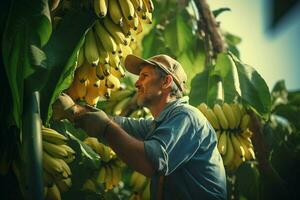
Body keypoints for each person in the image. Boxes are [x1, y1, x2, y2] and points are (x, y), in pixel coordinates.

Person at [52, 54, 227, 200]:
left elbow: (151, 162)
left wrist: (105, 127)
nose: (137, 83)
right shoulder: (157, 125)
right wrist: (75, 110)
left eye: (144, 76)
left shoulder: (187, 117)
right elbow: (118, 123)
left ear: (166, 82)